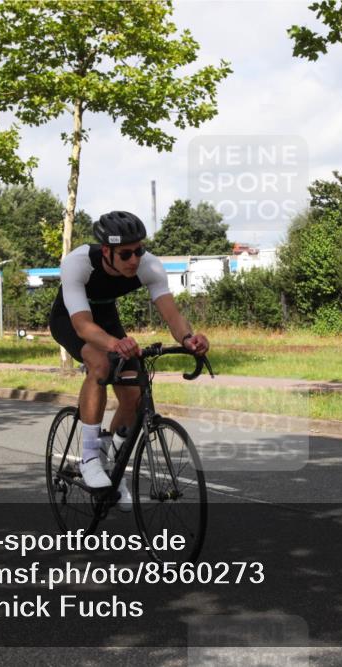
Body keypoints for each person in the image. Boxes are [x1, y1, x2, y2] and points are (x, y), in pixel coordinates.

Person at [49, 211, 210, 511]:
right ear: (107, 251)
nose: (134, 259)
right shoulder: (77, 263)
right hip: (71, 319)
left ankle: (114, 463)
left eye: (139, 250)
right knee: (100, 364)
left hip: (106, 317)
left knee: (134, 392)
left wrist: (189, 339)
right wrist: (114, 344)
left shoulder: (148, 265)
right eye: (126, 254)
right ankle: (90, 457)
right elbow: (83, 327)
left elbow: (173, 317)